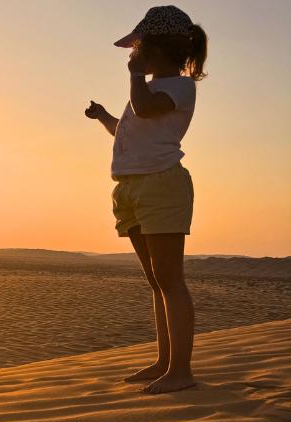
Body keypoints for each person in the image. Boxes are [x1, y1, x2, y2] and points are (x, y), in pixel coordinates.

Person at [85, 5, 207, 394]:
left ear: (161, 49)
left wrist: (136, 77)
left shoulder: (179, 86)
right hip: (131, 187)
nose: (133, 56)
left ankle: (181, 371)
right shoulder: (151, 88)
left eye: (138, 49)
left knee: (171, 281)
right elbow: (129, 130)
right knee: (157, 282)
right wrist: (104, 116)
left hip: (161, 185)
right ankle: (164, 361)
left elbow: (144, 108)